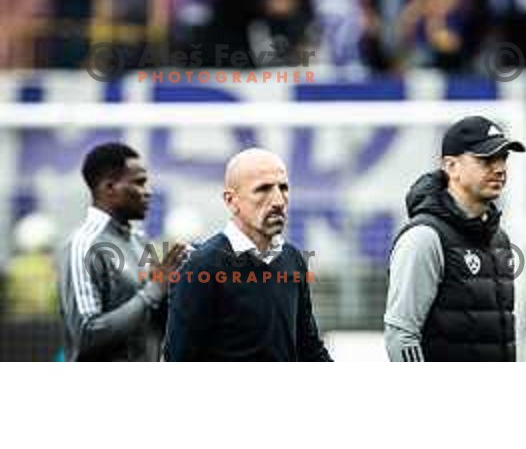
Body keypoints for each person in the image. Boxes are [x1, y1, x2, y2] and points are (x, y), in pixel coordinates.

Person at [164, 148, 332, 361]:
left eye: (283, 187)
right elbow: (180, 360)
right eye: (263, 189)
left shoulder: (292, 258)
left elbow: (309, 347)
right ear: (231, 201)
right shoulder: (201, 266)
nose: (279, 200)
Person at [384, 116, 526, 362]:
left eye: (503, 157)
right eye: (486, 159)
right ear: (451, 166)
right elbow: (402, 335)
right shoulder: (424, 238)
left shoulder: (499, 238)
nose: (500, 168)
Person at [59, 143, 187, 361]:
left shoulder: (138, 241)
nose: (148, 192)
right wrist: (155, 288)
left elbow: (152, 318)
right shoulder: (84, 245)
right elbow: (86, 334)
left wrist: (176, 291)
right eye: (139, 183)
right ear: (109, 188)